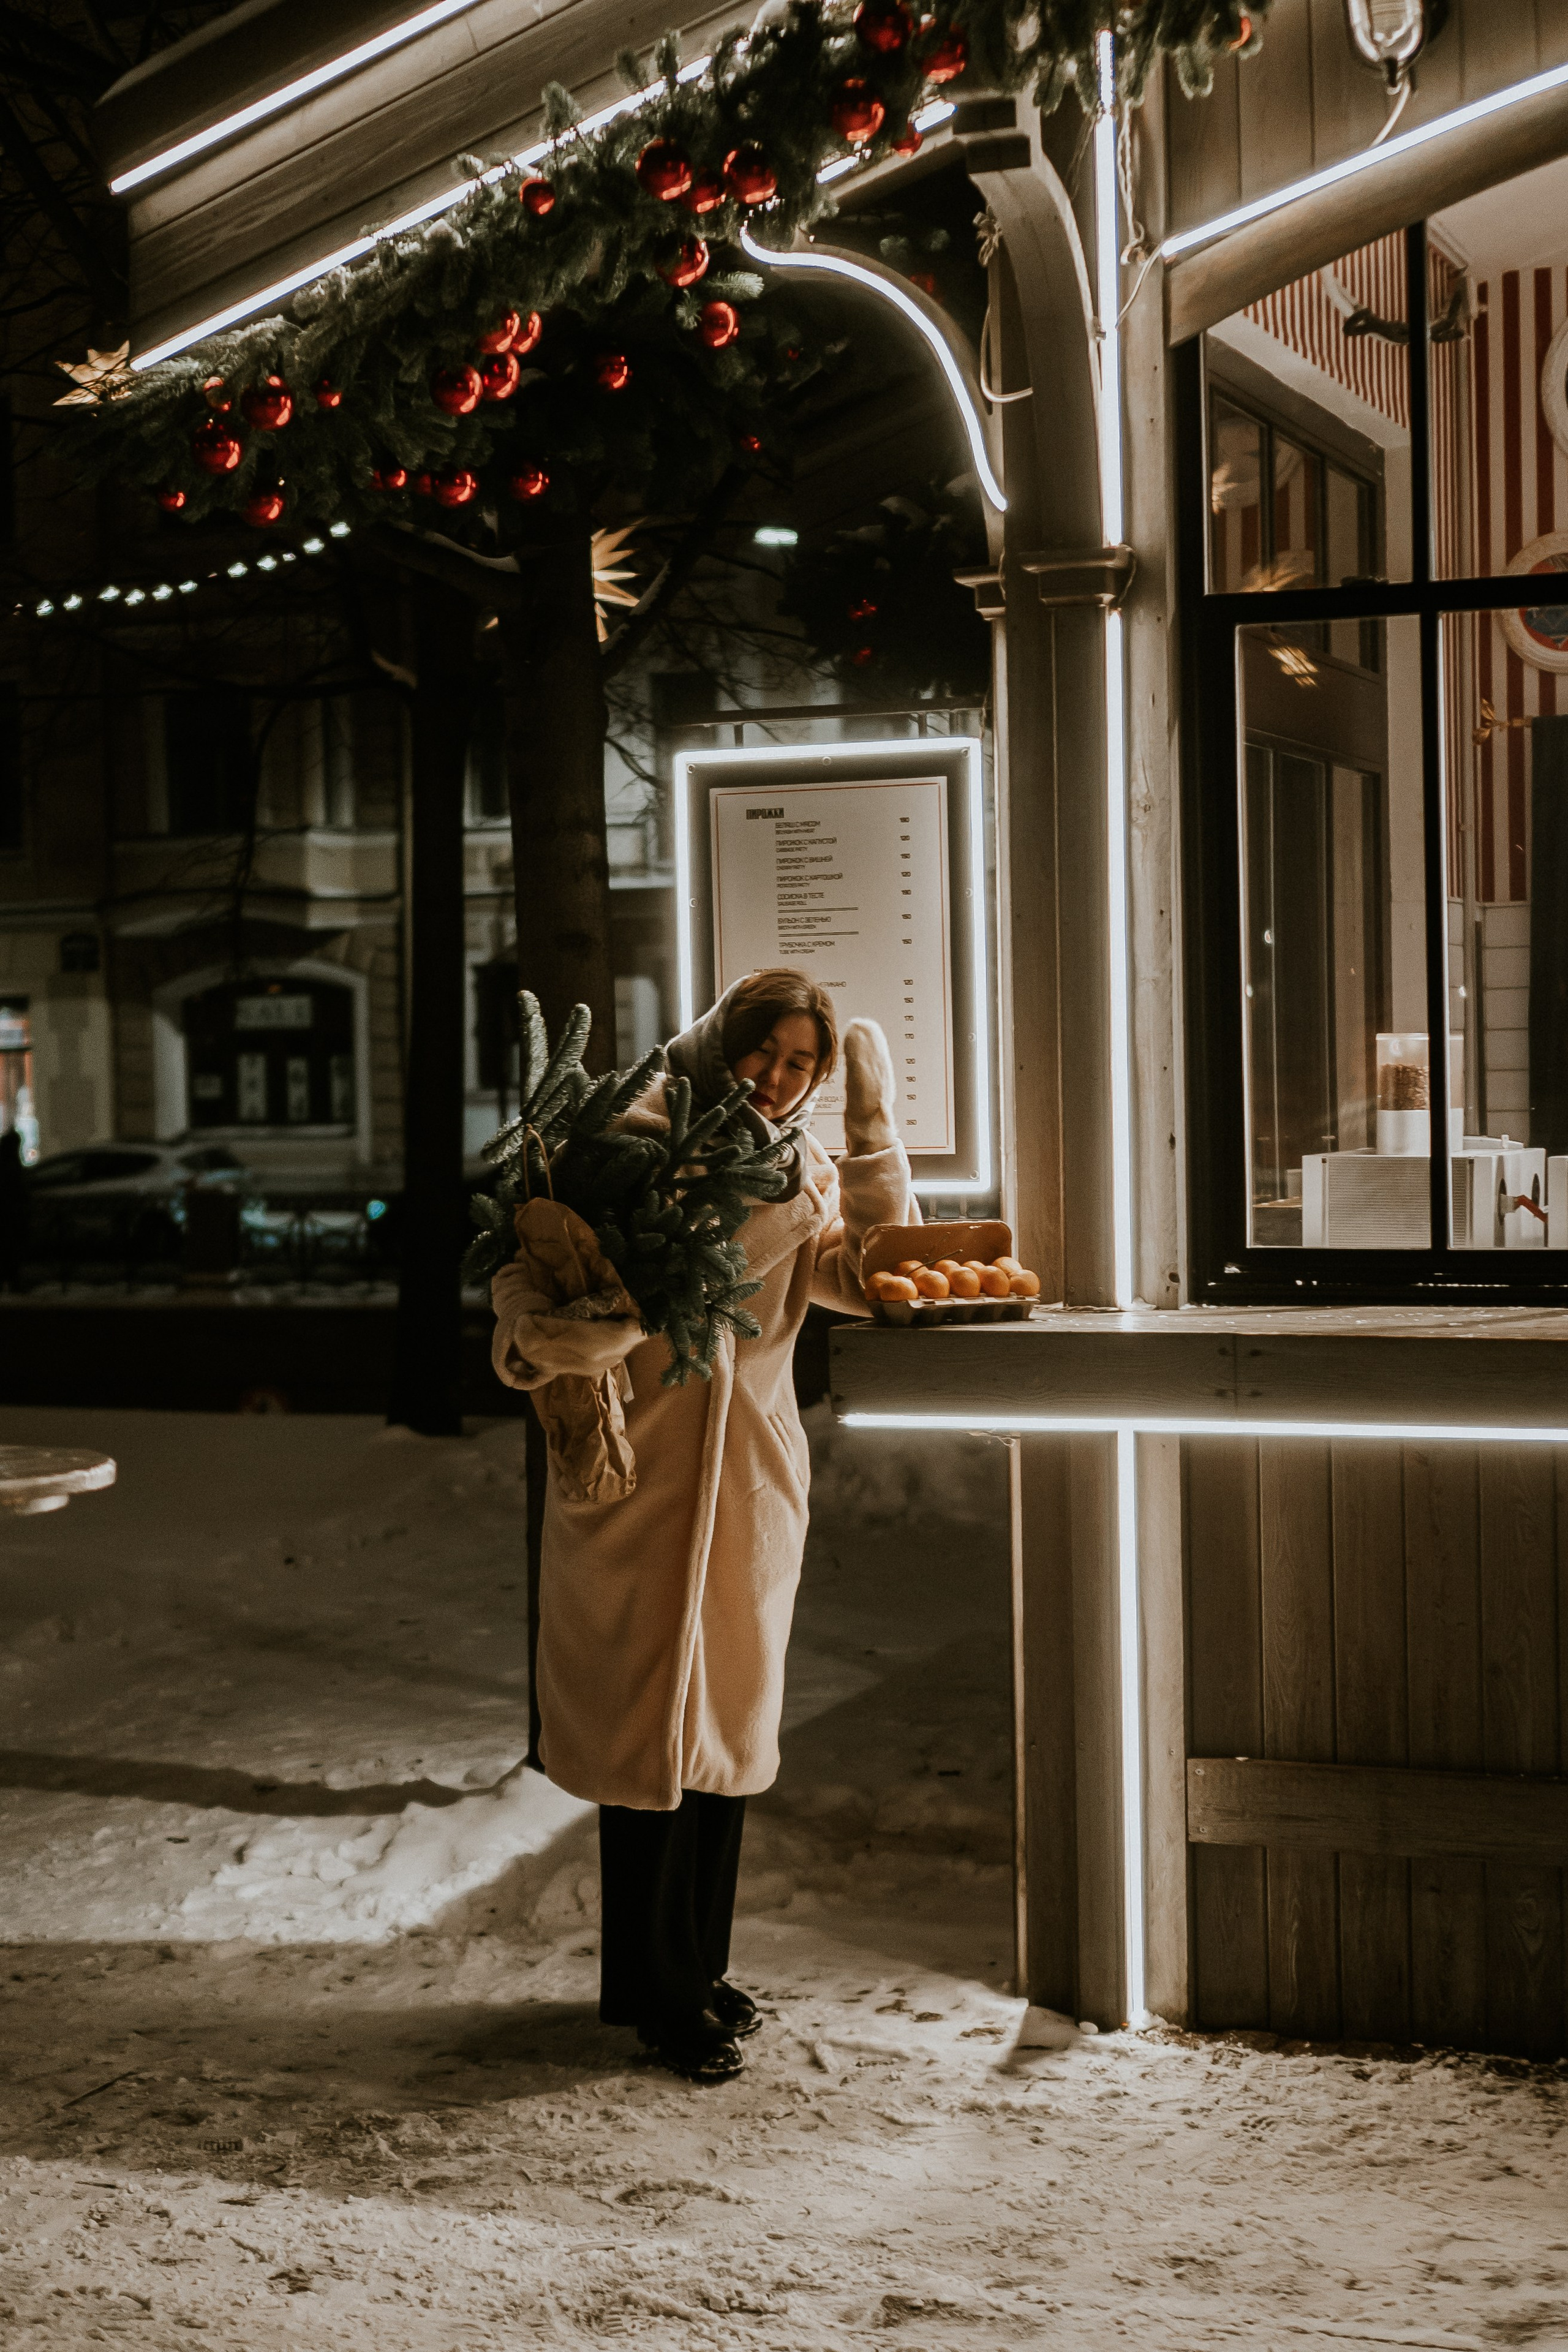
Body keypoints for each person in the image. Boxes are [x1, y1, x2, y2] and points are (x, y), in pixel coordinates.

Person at [491, 968, 916, 2082]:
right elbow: (538, 1271)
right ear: (724, 1041)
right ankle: (659, 1992)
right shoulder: (633, 1139)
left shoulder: (804, 1167)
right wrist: (551, 1342)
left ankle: (692, 1970)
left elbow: (863, 1280)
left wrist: (874, 1146)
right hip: (639, 1477)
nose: (777, 1077)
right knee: (647, 1744)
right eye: (763, 1050)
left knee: (722, 1741)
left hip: (749, 1483)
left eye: (802, 1064)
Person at [0, 1126, 28, 1293]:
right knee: (11, 1252)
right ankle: (13, 1282)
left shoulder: (5, 1163)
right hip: (11, 1216)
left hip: (7, 1216)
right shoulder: (12, 1166)